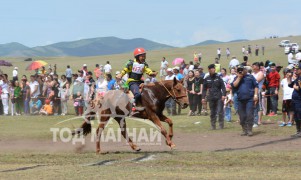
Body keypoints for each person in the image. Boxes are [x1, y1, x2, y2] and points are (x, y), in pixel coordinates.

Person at [116, 47, 156, 112]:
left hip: (141, 82)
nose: (144, 57)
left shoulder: (144, 64)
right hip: (132, 82)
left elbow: (148, 70)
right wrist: (121, 74)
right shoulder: (131, 63)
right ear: (137, 57)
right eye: (142, 56)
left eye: (144, 56)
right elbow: (125, 70)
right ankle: (134, 106)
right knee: (137, 94)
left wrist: (151, 73)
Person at [231, 65, 258, 136]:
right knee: (242, 116)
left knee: (249, 114)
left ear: (245, 70)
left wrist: (255, 95)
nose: (241, 71)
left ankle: (249, 130)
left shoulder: (250, 77)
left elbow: (256, 86)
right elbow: (234, 85)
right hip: (240, 100)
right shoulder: (236, 78)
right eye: (239, 70)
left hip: (249, 99)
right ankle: (244, 130)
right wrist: (239, 77)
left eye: (242, 70)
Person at [202, 64, 226, 130]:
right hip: (211, 97)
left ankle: (221, 125)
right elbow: (204, 89)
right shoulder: (207, 79)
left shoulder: (218, 78)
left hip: (219, 97)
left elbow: (223, 87)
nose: (213, 70)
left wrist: (224, 95)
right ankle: (213, 126)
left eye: (214, 68)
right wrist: (203, 98)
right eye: (211, 68)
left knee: (220, 111)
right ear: (209, 70)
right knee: (212, 112)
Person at [252, 62, 265, 127]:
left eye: (253, 66)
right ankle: (254, 120)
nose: (252, 67)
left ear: (257, 67)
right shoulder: (252, 74)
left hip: (258, 91)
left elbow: (256, 81)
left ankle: (259, 121)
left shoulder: (261, 73)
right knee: (253, 106)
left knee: (259, 106)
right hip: (252, 91)